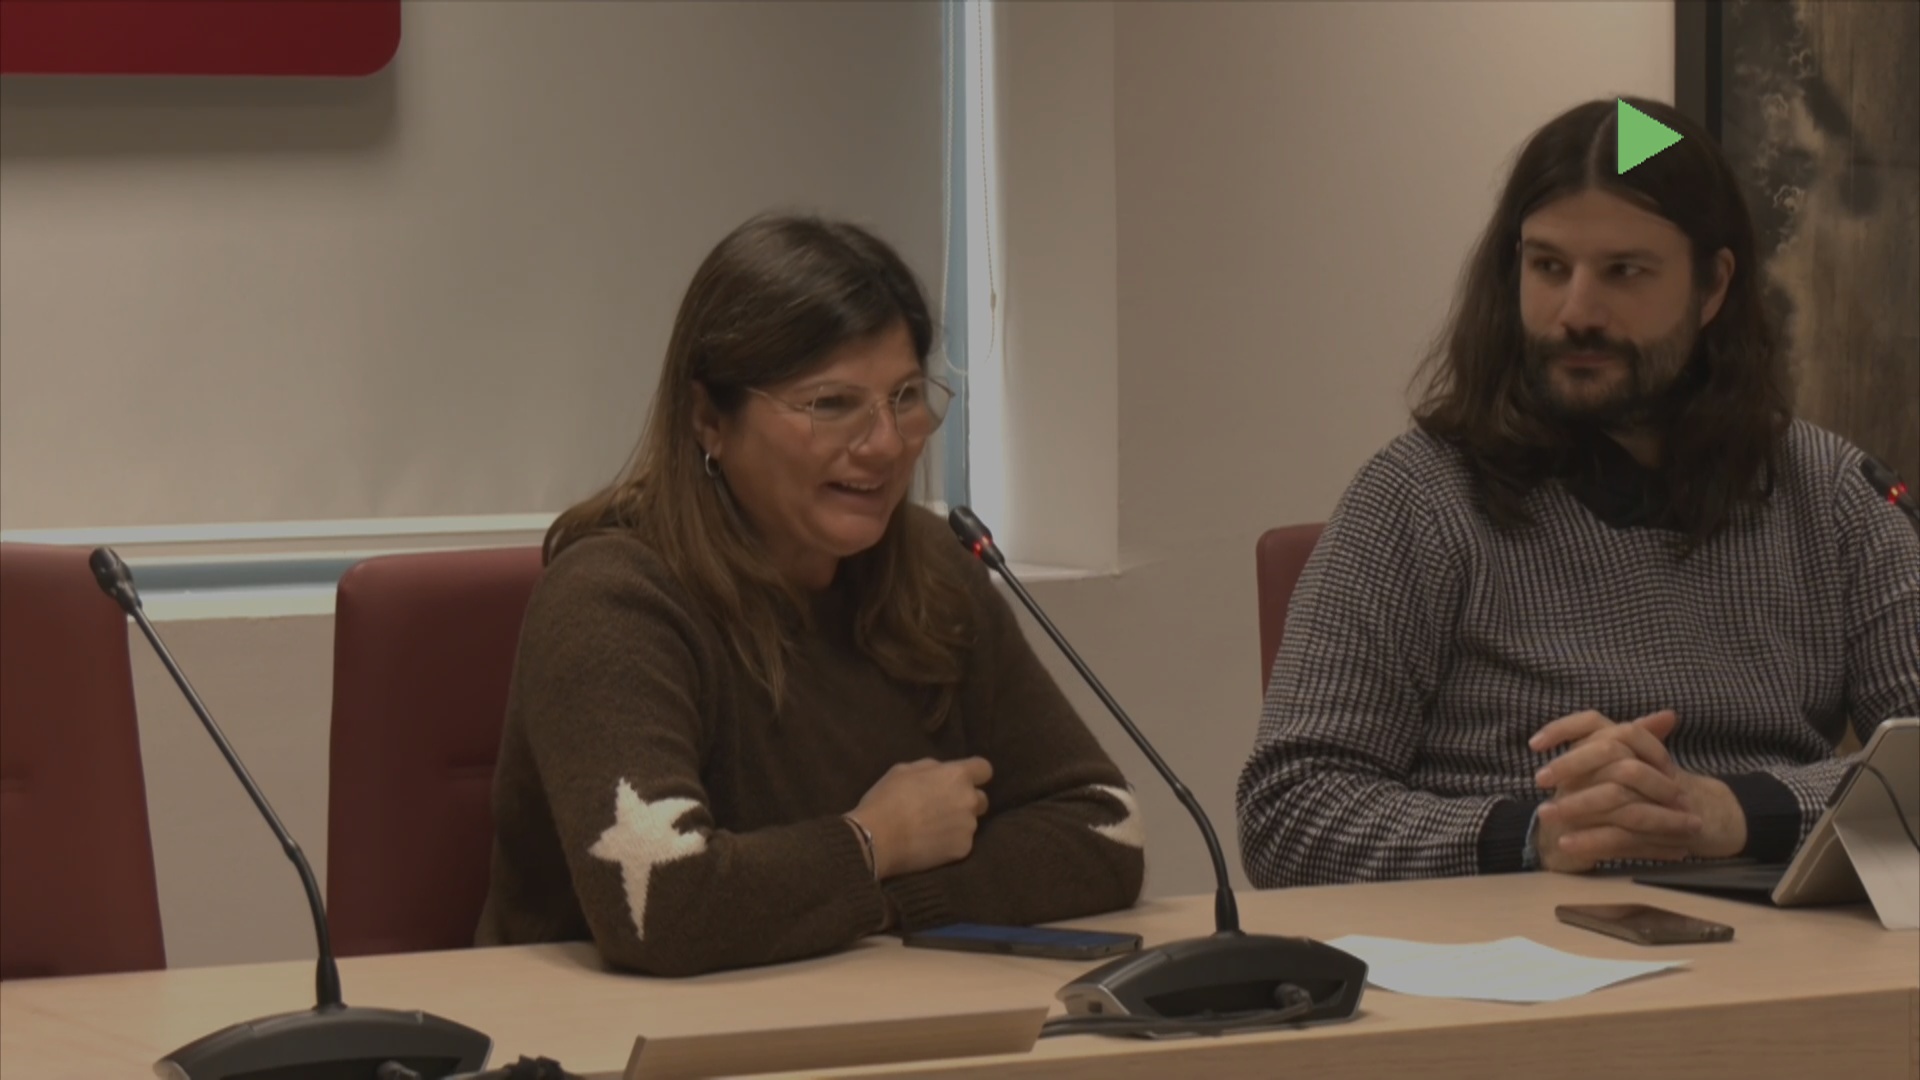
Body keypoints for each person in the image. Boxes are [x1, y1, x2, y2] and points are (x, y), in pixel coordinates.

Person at [1235, 97, 1920, 887]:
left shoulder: (1831, 495)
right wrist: (1540, 833)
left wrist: (1733, 813)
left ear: (1712, 286)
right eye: (1549, 268)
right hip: (1499, 937)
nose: (1576, 312)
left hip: (1772, 934)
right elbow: (1288, 810)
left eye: (1624, 272)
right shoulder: (1417, 496)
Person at [475, 214, 1144, 976]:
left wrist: (883, 895)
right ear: (708, 419)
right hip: (612, 1032)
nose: (885, 444)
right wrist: (875, 841)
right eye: (831, 404)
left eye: (905, 397)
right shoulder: (613, 599)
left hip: (872, 1011)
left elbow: (1105, 829)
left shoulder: (934, 567)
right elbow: (664, 904)